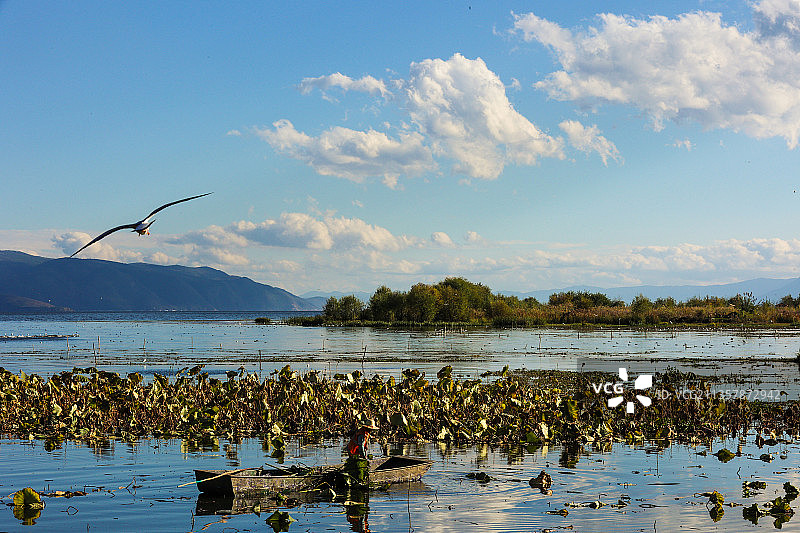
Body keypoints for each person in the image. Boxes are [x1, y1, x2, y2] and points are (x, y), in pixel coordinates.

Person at [343, 417, 378, 487]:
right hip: (352, 450)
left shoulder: (365, 432)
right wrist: (364, 457)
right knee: (355, 464)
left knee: (356, 464)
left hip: (356, 450)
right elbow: (361, 446)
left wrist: (366, 447)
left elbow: (364, 444)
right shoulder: (362, 434)